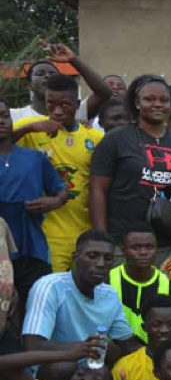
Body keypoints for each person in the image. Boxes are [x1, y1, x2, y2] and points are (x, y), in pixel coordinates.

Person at [89, 75, 171, 263]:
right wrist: (102, 239)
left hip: (164, 244)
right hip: (121, 244)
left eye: (164, 100)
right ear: (137, 102)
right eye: (149, 99)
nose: (158, 105)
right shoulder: (116, 139)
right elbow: (98, 190)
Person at [22, 230, 141, 380]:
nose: (100, 264)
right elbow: (32, 345)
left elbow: (128, 345)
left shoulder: (109, 294)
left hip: (89, 371)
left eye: (108, 258)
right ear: (75, 257)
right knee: (66, 368)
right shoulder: (50, 286)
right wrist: (87, 348)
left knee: (115, 359)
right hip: (47, 372)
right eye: (92, 256)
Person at [14, 74, 104, 272]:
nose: (57, 111)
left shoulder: (94, 137)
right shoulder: (31, 129)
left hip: (84, 231)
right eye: (50, 104)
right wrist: (28, 128)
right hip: (47, 233)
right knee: (51, 291)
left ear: (77, 104)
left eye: (65, 105)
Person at [0, 99, 68, 306]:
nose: (1, 121)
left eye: (4, 116)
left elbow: (61, 192)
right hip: (1, 252)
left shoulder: (34, 158)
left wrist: (52, 202)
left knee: (35, 308)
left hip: (31, 248)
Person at [108, 224, 171, 342]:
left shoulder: (170, 288)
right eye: (136, 247)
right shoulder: (107, 282)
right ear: (123, 250)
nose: (143, 252)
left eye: (149, 247)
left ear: (156, 249)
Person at [11, 42, 111, 123]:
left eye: (52, 73)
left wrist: (73, 60)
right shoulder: (15, 116)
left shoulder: (73, 112)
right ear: (30, 85)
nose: (47, 76)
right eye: (40, 73)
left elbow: (104, 93)